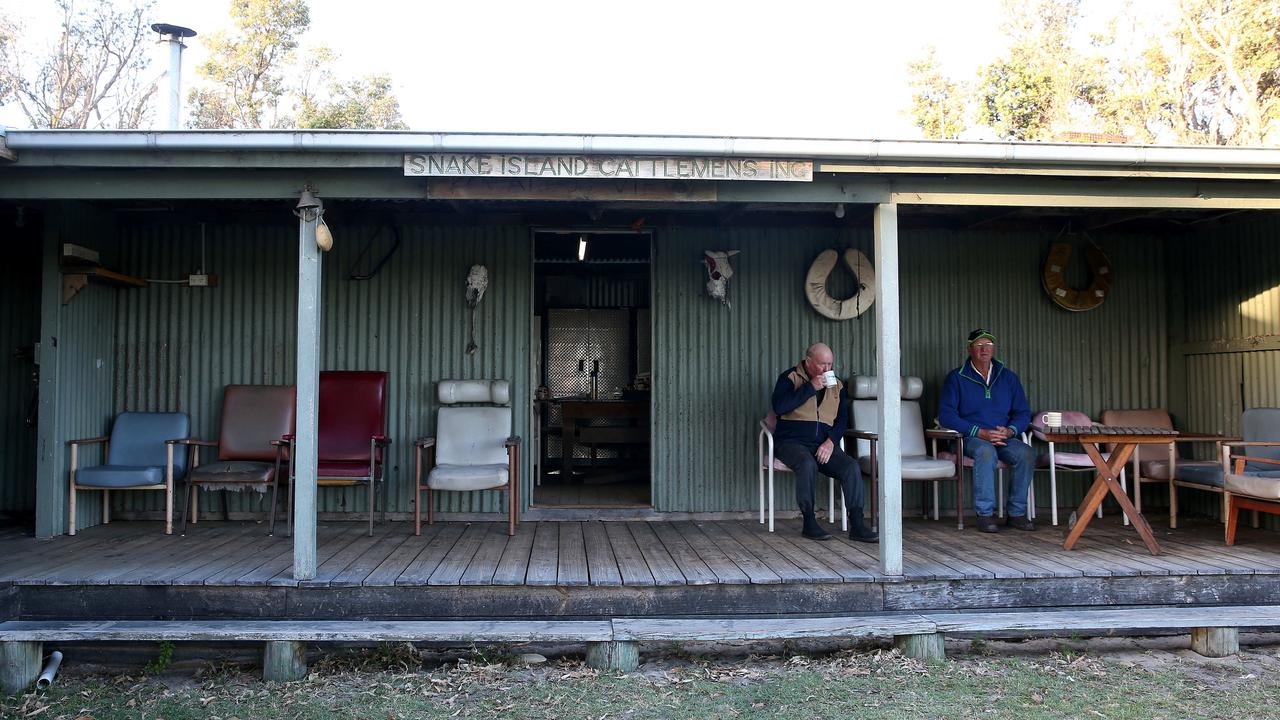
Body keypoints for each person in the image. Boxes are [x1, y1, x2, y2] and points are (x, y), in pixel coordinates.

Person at [771, 343, 878, 542]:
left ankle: (857, 525)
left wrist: (831, 442)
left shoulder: (837, 384)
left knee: (851, 467)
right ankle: (809, 522)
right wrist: (810, 387)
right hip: (791, 443)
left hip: (822, 445)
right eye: (822, 364)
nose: (827, 369)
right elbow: (779, 407)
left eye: (830, 364)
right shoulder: (789, 378)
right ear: (808, 362)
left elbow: (841, 420)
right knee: (806, 463)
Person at [939, 328, 1035, 533]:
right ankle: (985, 515)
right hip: (970, 438)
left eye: (989, 345)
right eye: (979, 345)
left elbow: (1023, 413)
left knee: (1025, 452)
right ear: (969, 349)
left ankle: (1017, 513)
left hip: (1002, 437)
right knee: (985, 452)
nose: (984, 349)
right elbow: (947, 416)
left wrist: (1010, 431)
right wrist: (979, 432)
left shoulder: (1008, 378)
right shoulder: (956, 378)